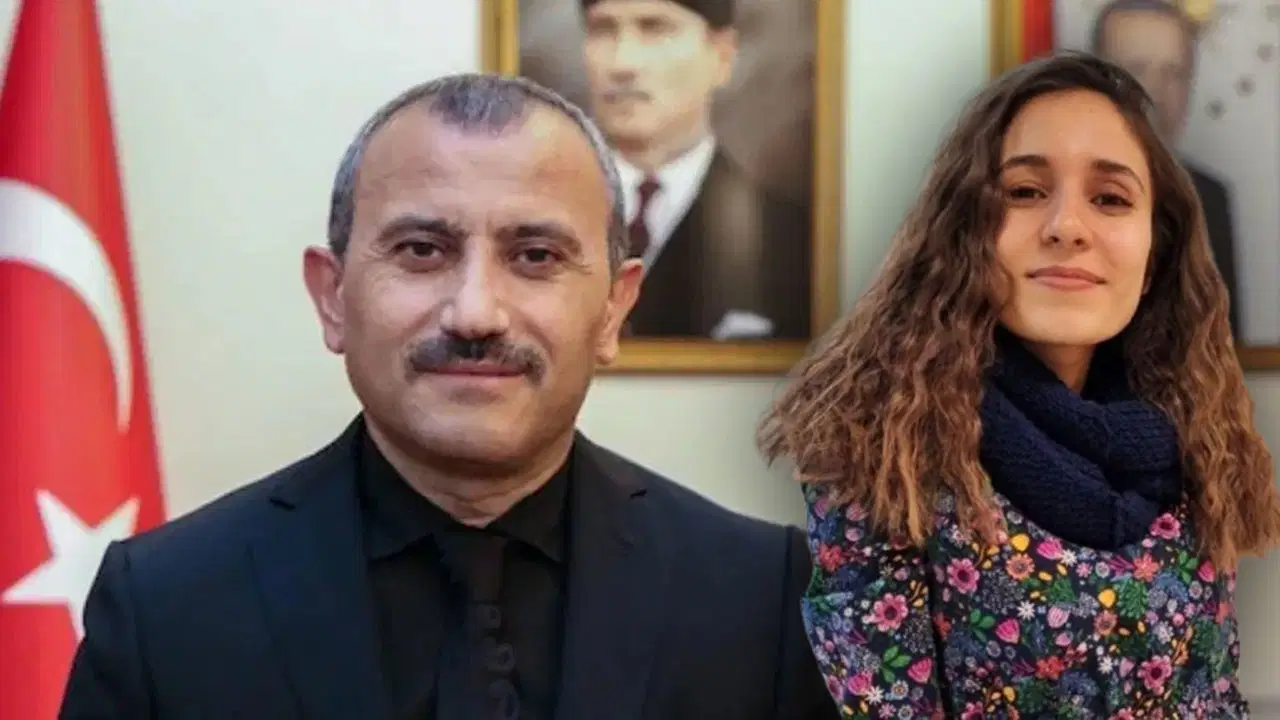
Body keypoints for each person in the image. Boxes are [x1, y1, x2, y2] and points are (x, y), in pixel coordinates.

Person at [58, 74, 837, 720]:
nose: (475, 314)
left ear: (613, 309)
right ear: (332, 298)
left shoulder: (760, 597)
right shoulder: (164, 605)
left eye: (536, 256)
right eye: (422, 251)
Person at [757, 53, 1280, 718]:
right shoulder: (886, 449)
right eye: (1026, 192)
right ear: (964, 232)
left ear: (1153, 257)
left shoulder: (1193, 439)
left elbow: (1217, 696)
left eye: (1110, 199)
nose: (1067, 226)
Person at [579, 0, 811, 341]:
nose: (622, 63)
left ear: (722, 56)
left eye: (655, 28)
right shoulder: (543, 216)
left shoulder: (792, 241)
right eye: (602, 29)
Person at [1091, 0, 1241, 332]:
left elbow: (1226, 344)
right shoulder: (1051, 190)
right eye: (1137, 69)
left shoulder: (1210, 198)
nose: (1156, 92)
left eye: (1174, 73)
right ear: (1095, 81)